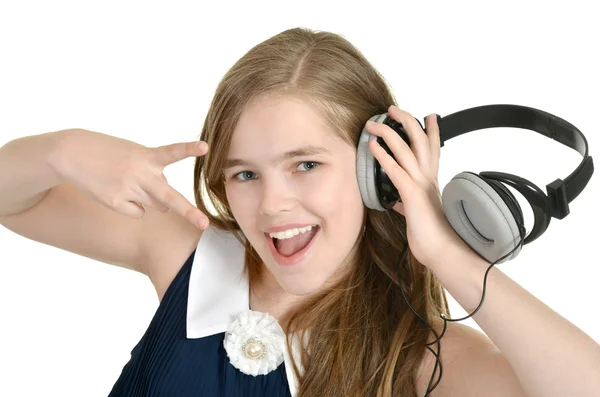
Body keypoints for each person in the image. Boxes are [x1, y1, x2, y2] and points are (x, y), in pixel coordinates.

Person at [0, 27, 599, 397]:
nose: (272, 204)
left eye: (305, 165)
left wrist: (447, 253)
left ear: (379, 171)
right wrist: (65, 149)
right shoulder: (191, 256)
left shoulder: (421, 359)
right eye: (245, 174)